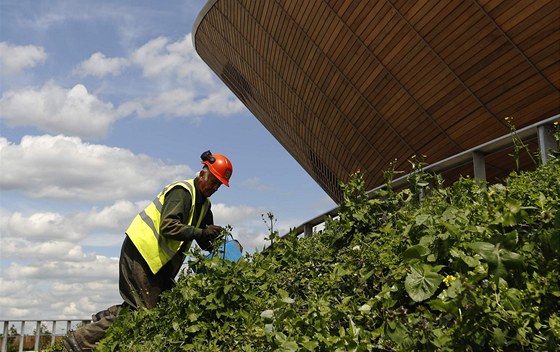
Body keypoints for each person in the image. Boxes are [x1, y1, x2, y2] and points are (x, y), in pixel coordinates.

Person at [64, 150, 233, 352]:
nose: (214, 187)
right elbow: (168, 226)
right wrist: (201, 232)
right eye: (213, 181)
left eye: (218, 185)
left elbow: (203, 239)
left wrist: (220, 242)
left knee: (156, 307)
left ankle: (102, 318)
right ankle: (80, 341)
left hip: (158, 264)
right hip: (141, 252)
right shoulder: (182, 192)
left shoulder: (204, 205)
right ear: (202, 172)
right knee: (143, 312)